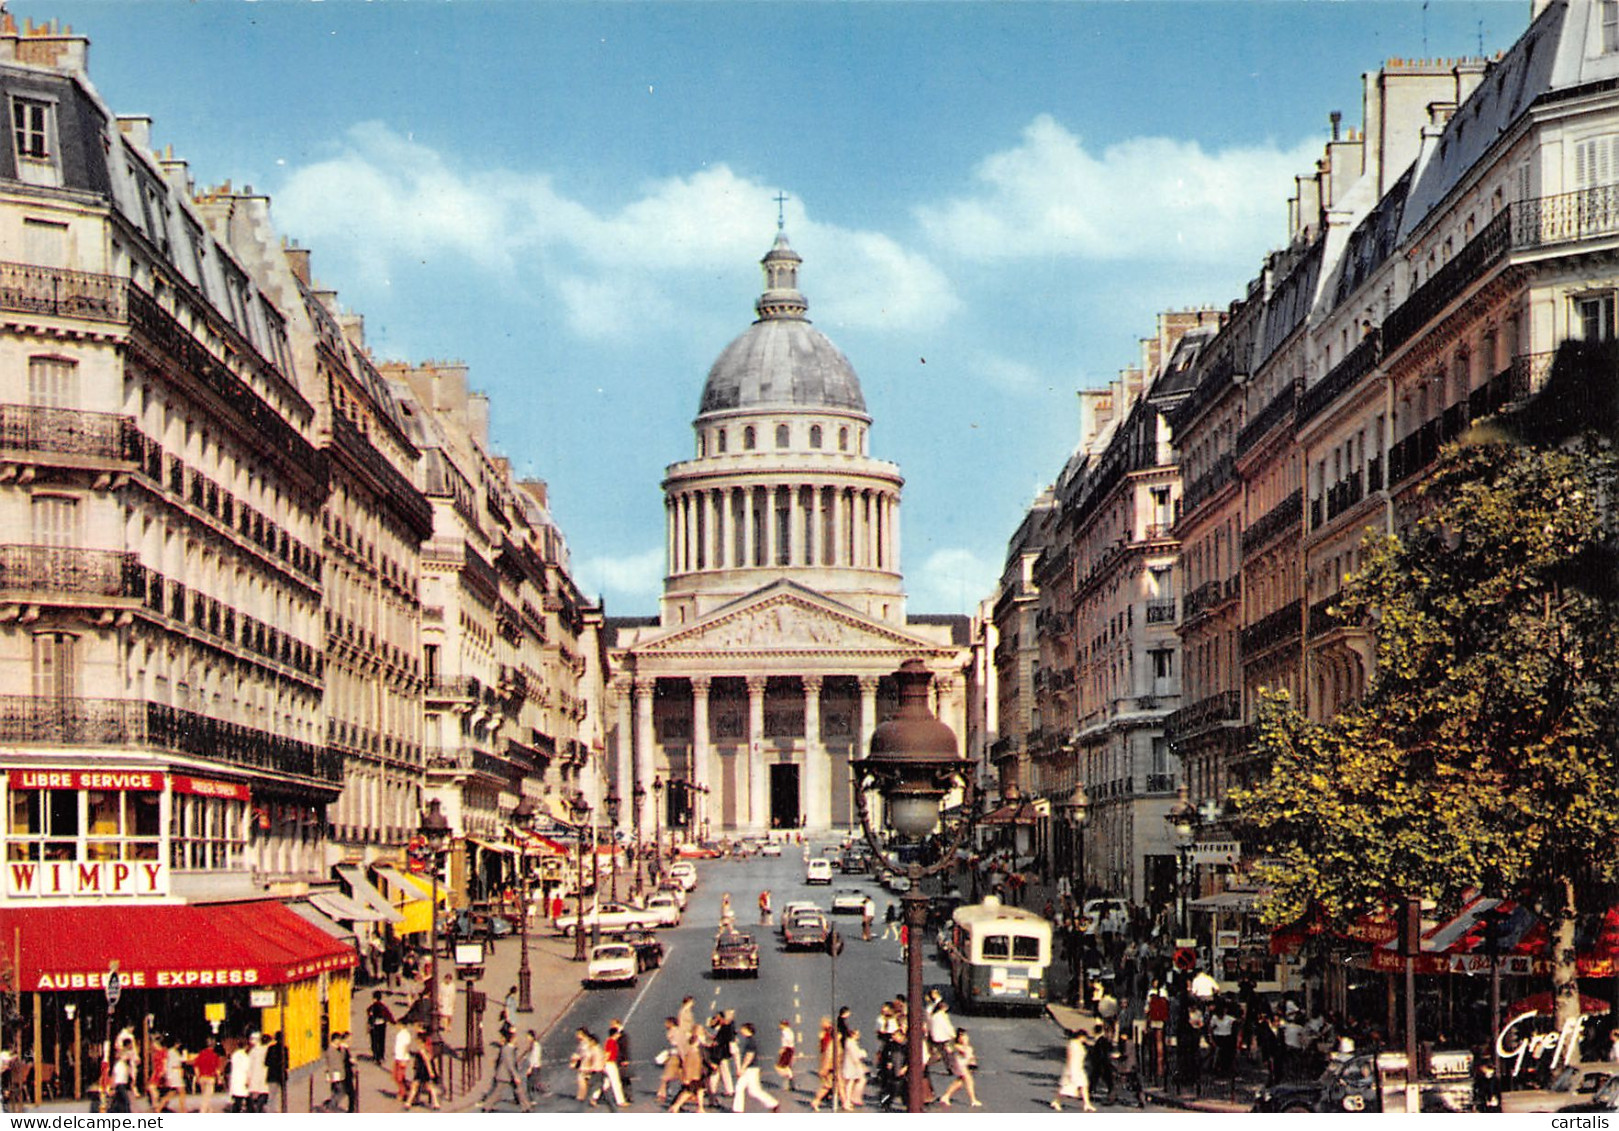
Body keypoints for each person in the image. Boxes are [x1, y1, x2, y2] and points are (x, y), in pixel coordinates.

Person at [732, 1022, 781, 1112]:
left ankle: (773, 1103)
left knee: (753, 1091)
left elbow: (750, 1055)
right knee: (740, 1088)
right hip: (750, 1069)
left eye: (742, 1028)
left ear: (747, 1030)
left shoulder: (750, 1042)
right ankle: (738, 1110)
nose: (741, 1030)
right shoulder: (748, 1040)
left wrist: (742, 1068)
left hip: (750, 1069)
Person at [478, 1030, 532, 1112]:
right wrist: (516, 1076)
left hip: (508, 1075)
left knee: (519, 1091)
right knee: (498, 1093)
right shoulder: (507, 1049)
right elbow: (510, 1064)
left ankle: (526, 1107)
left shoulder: (510, 1048)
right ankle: (486, 1106)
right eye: (515, 1038)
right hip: (504, 1075)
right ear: (511, 1039)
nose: (517, 1040)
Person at [1052, 1029, 1097, 1111]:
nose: (1085, 1039)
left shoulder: (1079, 1044)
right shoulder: (1073, 1044)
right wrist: (1070, 1070)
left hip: (1079, 1068)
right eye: (1084, 1037)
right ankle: (1057, 1101)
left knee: (1084, 1085)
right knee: (1067, 1087)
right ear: (1081, 1036)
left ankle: (1087, 1104)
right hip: (1072, 1068)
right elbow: (1070, 1057)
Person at [938, 1028, 982, 1107]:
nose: (966, 1038)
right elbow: (961, 1052)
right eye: (963, 1036)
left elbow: (970, 1057)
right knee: (968, 1080)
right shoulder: (958, 1046)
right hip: (959, 1065)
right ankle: (973, 1100)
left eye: (966, 1036)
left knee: (961, 1081)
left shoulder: (966, 1047)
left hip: (962, 1065)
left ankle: (946, 1096)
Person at [402, 1029, 442, 1110]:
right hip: (423, 1070)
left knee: (415, 1086)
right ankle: (436, 1104)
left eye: (418, 1041)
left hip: (422, 1070)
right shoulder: (428, 1050)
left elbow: (427, 1061)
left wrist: (431, 1072)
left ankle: (408, 1103)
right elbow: (432, 1059)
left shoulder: (422, 1051)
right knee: (428, 1087)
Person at [811, 1017, 838, 1112]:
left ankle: (831, 1101)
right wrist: (825, 1066)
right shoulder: (826, 1036)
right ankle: (816, 1101)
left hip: (828, 1062)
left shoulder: (825, 1034)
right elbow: (828, 1052)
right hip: (828, 1062)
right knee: (827, 1084)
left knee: (832, 1083)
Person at [840, 1027, 868, 1109]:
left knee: (850, 1083)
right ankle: (850, 1099)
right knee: (851, 1083)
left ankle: (849, 1100)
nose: (858, 1036)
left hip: (851, 1065)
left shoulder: (850, 1042)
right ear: (852, 1034)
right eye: (857, 1034)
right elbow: (855, 1055)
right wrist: (862, 1054)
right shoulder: (851, 1043)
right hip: (852, 1066)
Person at [191, 1043, 222, 1111]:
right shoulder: (215, 1055)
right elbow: (217, 1070)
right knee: (207, 1096)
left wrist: (198, 1077)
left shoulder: (201, 1054)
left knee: (205, 1095)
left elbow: (196, 1066)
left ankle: (209, 1109)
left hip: (202, 1078)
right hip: (210, 1078)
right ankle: (203, 1110)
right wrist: (219, 1078)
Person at [366, 992, 395, 1064]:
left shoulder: (371, 1007)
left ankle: (376, 1056)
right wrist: (393, 1022)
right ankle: (381, 1056)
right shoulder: (383, 1007)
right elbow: (388, 1015)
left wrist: (368, 1025)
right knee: (381, 1040)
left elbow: (369, 1015)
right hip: (382, 1025)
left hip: (374, 1025)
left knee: (374, 1041)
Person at [247, 1032, 272, 1113]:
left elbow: (249, 1065)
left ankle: (256, 1110)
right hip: (265, 1078)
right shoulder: (269, 1050)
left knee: (255, 1097)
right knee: (263, 1095)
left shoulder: (254, 1051)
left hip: (255, 1078)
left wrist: (248, 1078)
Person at [226, 1039, 253, 1113]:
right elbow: (247, 1069)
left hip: (235, 1078)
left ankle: (236, 1110)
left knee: (237, 1096)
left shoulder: (234, 1055)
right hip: (243, 1078)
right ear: (245, 1046)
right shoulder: (245, 1057)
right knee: (245, 1096)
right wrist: (248, 1080)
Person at [773, 1019, 797, 1091]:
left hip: (787, 1049)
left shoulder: (785, 1032)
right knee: (786, 1066)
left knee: (779, 1067)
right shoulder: (790, 1031)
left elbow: (787, 1041)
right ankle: (790, 1083)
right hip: (790, 1049)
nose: (779, 1026)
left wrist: (783, 1049)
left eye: (781, 1024)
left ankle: (789, 1079)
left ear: (784, 1025)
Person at [393, 1022, 414, 1100]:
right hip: (397, 1057)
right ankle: (406, 1088)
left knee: (399, 1077)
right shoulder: (400, 1034)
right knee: (395, 1076)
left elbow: (406, 1047)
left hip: (402, 1058)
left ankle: (402, 1092)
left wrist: (403, 1059)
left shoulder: (405, 1034)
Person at [521, 1029, 544, 1099]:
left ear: (532, 1037)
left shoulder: (536, 1046)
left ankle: (532, 1098)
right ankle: (535, 1094)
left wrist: (530, 1068)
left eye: (528, 1036)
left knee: (531, 1083)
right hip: (535, 1066)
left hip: (534, 1067)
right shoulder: (532, 1045)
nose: (527, 1038)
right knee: (532, 1082)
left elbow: (535, 1057)